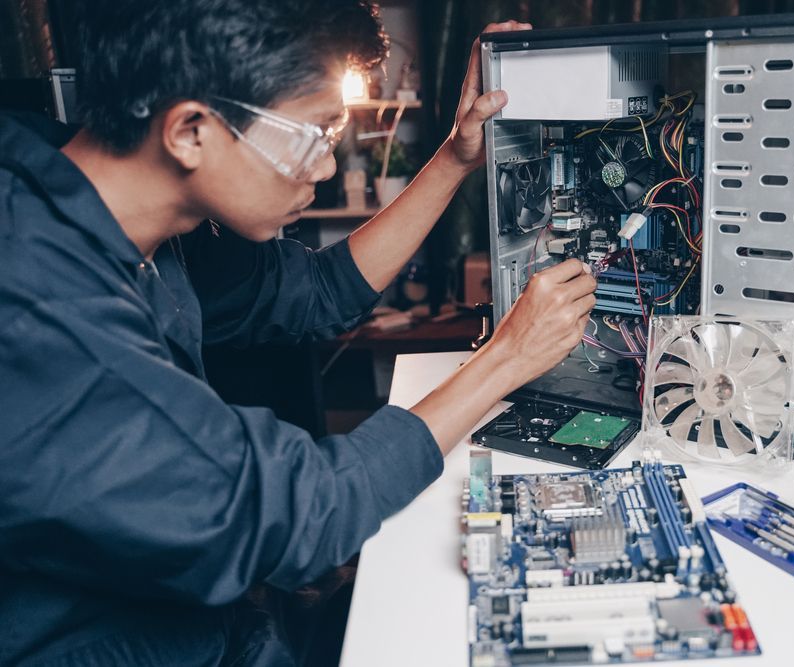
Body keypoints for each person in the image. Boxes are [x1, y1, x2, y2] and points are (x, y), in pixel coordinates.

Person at [0, 1, 596, 664]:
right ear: (191, 130)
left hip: (226, 617)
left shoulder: (118, 212)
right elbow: (299, 511)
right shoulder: (41, 316)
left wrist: (456, 157)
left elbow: (318, 292)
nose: (324, 167)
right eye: (312, 134)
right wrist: (507, 358)